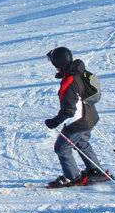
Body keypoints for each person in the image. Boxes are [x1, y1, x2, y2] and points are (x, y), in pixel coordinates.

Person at [43, 46, 103, 187]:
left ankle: (72, 177)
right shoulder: (78, 71)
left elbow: (69, 111)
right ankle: (96, 171)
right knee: (81, 143)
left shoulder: (68, 81)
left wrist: (54, 122)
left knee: (61, 148)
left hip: (78, 121)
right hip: (90, 116)